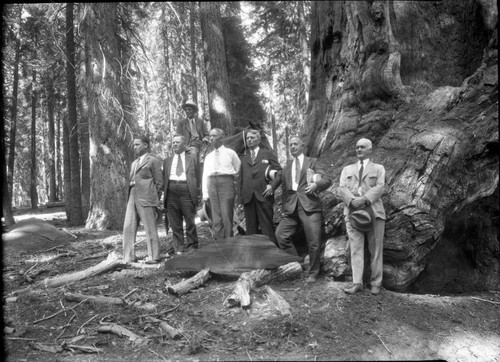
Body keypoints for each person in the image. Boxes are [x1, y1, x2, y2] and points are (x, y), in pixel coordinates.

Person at [275, 136, 332, 283]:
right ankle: (297, 264)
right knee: (281, 235)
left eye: (295, 144)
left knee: (313, 241)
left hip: (310, 205)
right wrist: (283, 208)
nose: (292, 146)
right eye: (291, 145)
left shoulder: (312, 162)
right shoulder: (287, 166)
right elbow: (284, 190)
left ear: (302, 146)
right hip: (291, 207)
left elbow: (327, 180)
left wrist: (316, 185)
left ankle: (314, 273)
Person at [339, 138, 386, 295]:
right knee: (356, 249)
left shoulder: (379, 168)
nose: (359, 149)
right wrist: (353, 201)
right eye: (357, 147)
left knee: (376, 249)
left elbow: (380, 187)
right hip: (352, 213)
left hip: (374, 212)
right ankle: (357, 283)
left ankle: (376, 283)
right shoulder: (347, 170)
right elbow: (342, 188)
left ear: (370, 150)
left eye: (362, 147)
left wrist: (364, 199)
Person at [123, 135, 163, 264]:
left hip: (147, 196)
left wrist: (153, 197)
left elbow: (159, 182)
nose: (134, 147)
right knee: (128, 226)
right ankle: (128, 257)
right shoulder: (134, 163)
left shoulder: (153, 160)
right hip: (132, 194)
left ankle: (154, 256)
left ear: (145, 145)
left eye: (137, 144)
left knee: (150, 226)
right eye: (134, 145)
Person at [238, 129, 282, 245]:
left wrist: (272, 187)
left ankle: (272, 257)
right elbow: (240, 179)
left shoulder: (267, 154)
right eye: (247, 138)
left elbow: (279, 172)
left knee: (267, 228)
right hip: (248, 199)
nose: (249, 140)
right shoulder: (244, 159)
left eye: (252, 138)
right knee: (251, 231)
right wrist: (240, 199)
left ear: (258, 140)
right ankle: (255, 258)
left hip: (264, 196)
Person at [163, 135, 201, 254]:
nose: (174, 144)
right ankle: (179, 248)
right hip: (171, 191)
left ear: (184, 145)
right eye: (173, 142)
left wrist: (197, 192)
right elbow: (164, 178)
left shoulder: (193, 158)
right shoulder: (167, 161)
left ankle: (192, 246)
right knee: (175, 222)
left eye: (177, 142)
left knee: (190, 220)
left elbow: (198, 176)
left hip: (186, 190)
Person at [202, 128, 241, 240]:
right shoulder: (209, 157)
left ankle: (229, 241)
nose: (211, 138)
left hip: (226, 183)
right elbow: (205, 174)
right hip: (211, 184)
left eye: (214, 136)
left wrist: (236, 187)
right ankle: (220, 243)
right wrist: (205, 192)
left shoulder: (230, 153)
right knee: (216, 216)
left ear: (222, 137)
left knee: (226, 214)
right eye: (210, 136)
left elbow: (239, 170)